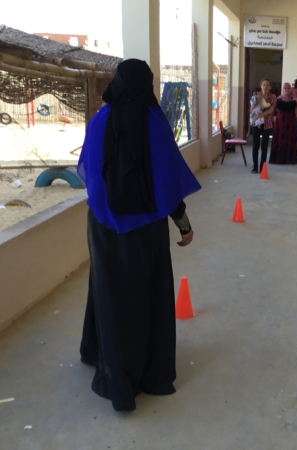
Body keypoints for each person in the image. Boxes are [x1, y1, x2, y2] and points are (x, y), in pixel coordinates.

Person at [77, 59, 202, 412]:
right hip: (146, 230)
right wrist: (184, 224)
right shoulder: (155, 124)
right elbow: (167, 181)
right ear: (146, 86)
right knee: (148, 294)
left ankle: (107, 365)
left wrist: (106, 210)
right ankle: (151, 372)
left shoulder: (100, 121)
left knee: (109, 292)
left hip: (103, 227)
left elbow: (90, 176)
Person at [250, 79, 276, 174]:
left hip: (267, 123)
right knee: (255, 145)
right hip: (256, 123)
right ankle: (255, 166)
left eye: (267, 85)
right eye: (263, 85)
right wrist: (258, 100)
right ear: (261, 86)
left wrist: (259, 115)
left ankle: (262, 167)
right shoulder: (256, 95)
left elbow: (270, 110)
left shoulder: (273, 97)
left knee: (264, 146)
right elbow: (251, 108)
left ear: (270, 87)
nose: (265, 87)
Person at [269, 83, 297, 165]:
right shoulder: (279, 99)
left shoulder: (295, 99)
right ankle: (279, 159)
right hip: (280, 122)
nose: (287, 90)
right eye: (285, 88)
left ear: (291, 89)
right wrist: (287, 105)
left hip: (291, 122)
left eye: (289, 88)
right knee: (279, 138)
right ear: (283, 89)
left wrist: (286, 105)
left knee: (289, 138)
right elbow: (281, 106)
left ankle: (288, 159)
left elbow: (288, 106)